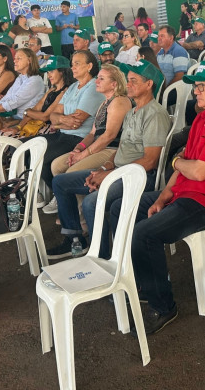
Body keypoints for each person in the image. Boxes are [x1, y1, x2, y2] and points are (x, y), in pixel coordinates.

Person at [125, 61, 205, 334]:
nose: (196, 92)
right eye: (195, 87)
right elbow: (184, 165)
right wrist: (163, 196)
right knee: (122, 210)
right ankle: (148, 283)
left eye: (201, 86)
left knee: (144, 233)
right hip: (186, 194)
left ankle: (163, 306)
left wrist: (176, 163)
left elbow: (196, 171)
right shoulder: (203, 117)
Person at [49, 62, 168, 258]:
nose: (128, 84)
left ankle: (100, 256)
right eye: (127, 80)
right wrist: (104, 167)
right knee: (60, 182)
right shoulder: (132, 112)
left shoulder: (154, 114)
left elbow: (150, 161)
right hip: (118, 170)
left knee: (90, 203)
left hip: (138, 176)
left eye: (134, 81)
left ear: (149, 85)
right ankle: (75, 239)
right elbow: (122, 148)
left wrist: (110, 174)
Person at [45, 65, 136, 254]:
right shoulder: (104, 102)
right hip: (99, 146)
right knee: (57, 165)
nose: (97, 81)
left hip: (112, 150)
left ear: (114, 83)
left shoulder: (119, 101)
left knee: (71, 173)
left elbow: (109, 136)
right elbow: (93, 133)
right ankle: (79, 220)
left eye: (102, 79)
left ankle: (78, 230)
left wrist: (83, 155)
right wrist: (78, 149)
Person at [37, 50, 106, 187]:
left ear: (89, 66)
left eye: (77, 64)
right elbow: (53, 115)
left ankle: (56, 194)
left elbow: (77, 122)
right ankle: (39, 192)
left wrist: (58, 122)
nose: (72, 67)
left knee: (41, 158)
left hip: (78, 138)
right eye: (72, 64)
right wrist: (61, 121)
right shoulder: (73, 86)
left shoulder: (93, 87)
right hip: (62, 134)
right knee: (27, 150)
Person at [1, 56, 75, 139]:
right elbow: (35, 110)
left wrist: (27, 112)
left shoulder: (65, 91)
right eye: (48, 72)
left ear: (62, 72)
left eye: (51, 71)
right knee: (3, 135)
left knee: (11, 142)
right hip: (36, 125)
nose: (49, 75)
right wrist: (18, 127)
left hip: (49, 130)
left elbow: (45, 116)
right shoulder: (51, 90)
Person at [0, 48, 45, 133]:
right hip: (10, 117)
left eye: (19, 58)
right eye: (15, 58)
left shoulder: (35, 80)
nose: (15, 61)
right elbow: (7, 98)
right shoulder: (20, 78)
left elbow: (14, 102)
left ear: (29, 60)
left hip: (24, 121)